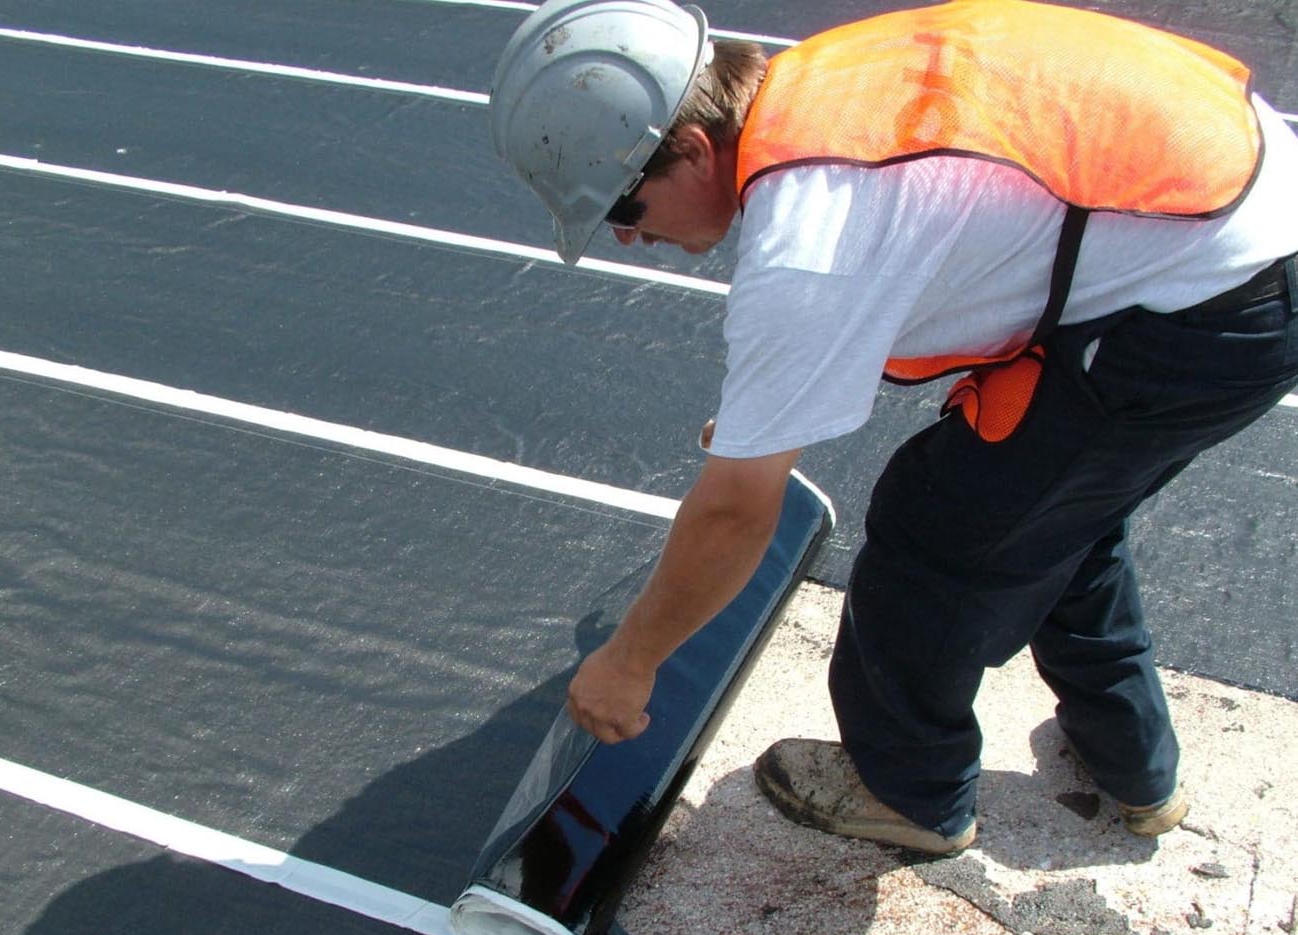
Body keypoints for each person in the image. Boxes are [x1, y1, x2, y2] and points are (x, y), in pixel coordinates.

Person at [489, 0, 1298, 855]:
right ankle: (1134, 769)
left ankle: (914, 795)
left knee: (936, 535)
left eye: (623, 204)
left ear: (690, 149)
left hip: (1210, 295)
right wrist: (774, 404)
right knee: (1049, 511)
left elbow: (734, 514)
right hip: (1226, 214)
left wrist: (629, 663)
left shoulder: (809, 238)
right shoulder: (815, 83)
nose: (625, 236)